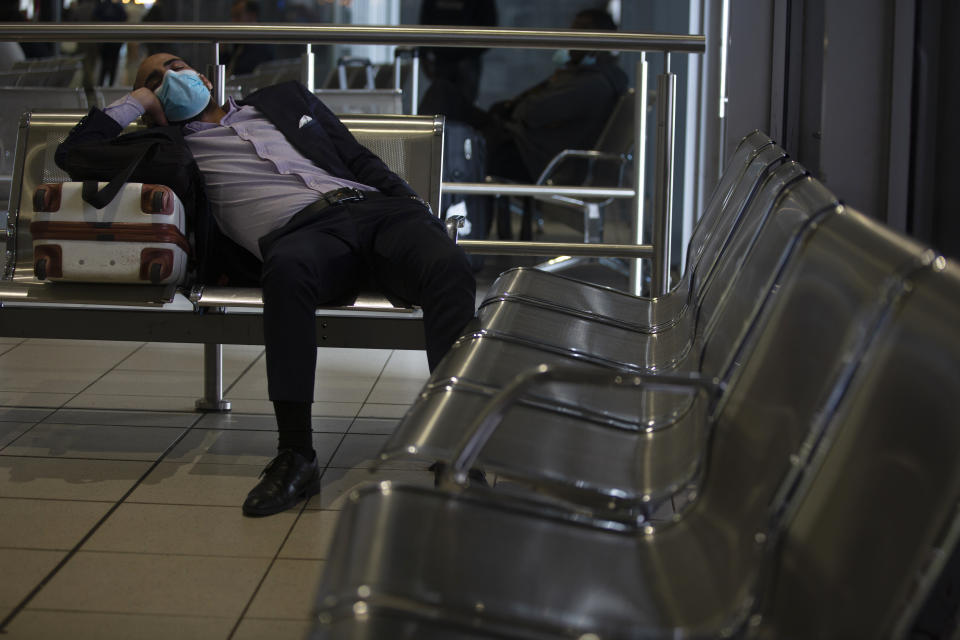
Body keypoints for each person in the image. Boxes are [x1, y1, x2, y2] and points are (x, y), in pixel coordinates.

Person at [56, 53, 477, 517]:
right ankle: (296, 454)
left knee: (448, 266)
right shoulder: (162, 146)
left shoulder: (283, 98)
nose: (170, 80)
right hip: (302, 236)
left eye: (176, 68)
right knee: (288, 270)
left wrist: (415, 209)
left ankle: (458, 448)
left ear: (202, 75)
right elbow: (73, 154)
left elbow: (356, 156)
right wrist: (139, 103)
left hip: (374, 211)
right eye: (154, 81)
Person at [450, 8, 628, 183]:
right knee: (449, 103)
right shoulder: (586, 76)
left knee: (453, 136)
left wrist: (558, 81)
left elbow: (531, 113)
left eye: (579, 30)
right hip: (524, 147)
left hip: (530, 158)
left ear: (596, 41)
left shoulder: (593, 84)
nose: (570, 37)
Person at [223, 1, 277, 77]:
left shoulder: (259, 44)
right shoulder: (241, 41)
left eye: (237, 16)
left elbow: (241, 74)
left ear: (252, 16)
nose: (233, 21)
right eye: (232, 17)